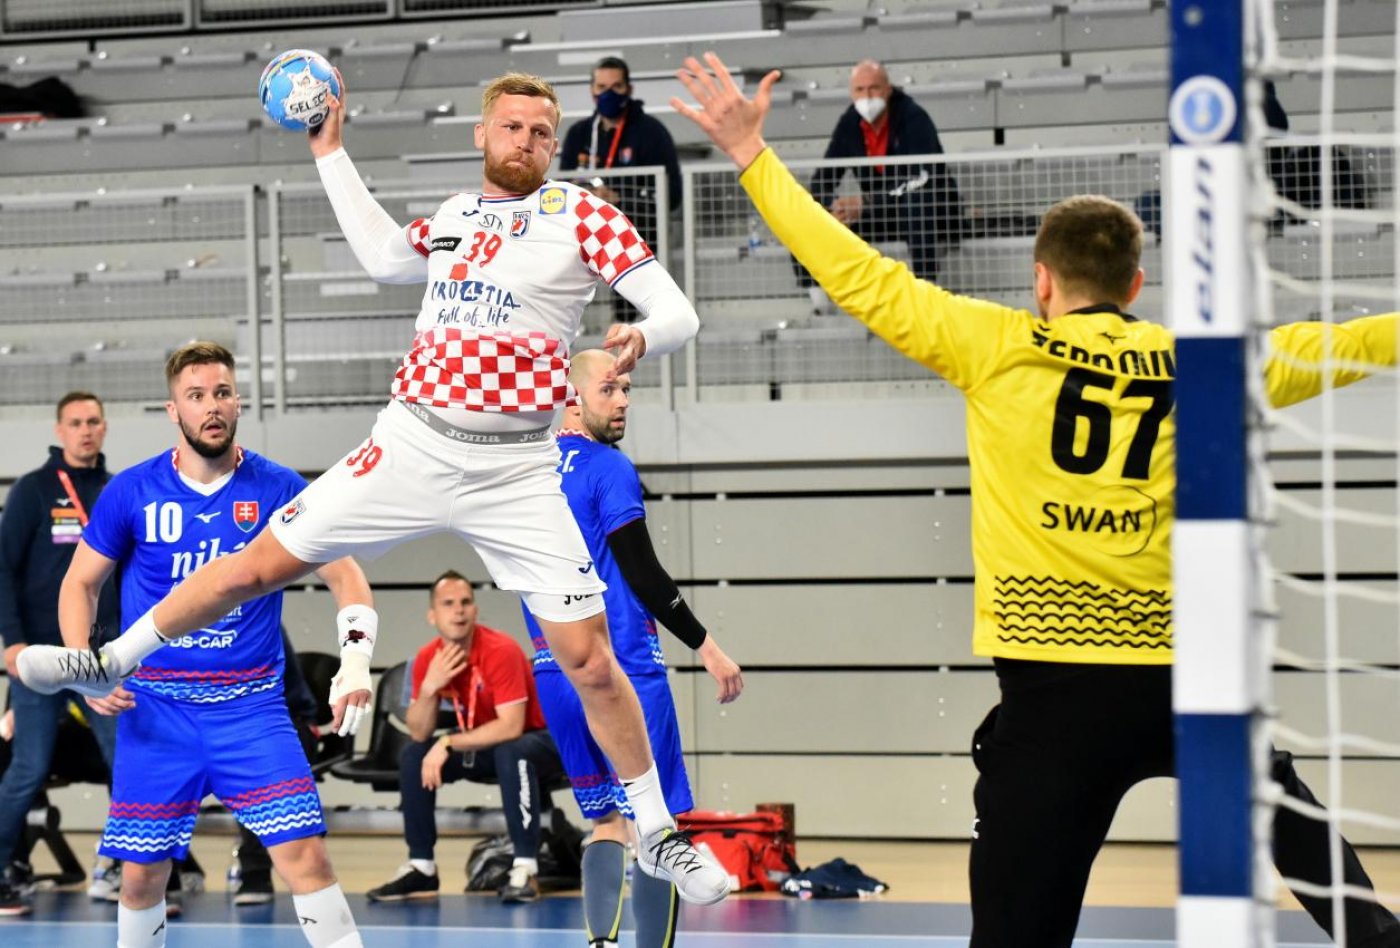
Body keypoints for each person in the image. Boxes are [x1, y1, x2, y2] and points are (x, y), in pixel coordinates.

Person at [671, 52, 1400, 947]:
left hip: (1053, 693)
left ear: (1042, 280)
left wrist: (752, 155)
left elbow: (856, 274)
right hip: (1190, 673)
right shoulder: (1204, 361)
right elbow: (1349, 341)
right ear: (1135, 286)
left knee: (1017, 934)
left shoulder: (995, 344)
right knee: (1311, 850)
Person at [18, 71, 730, 907]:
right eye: (512, 126)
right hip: (411, 444)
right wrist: (329, 148)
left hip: (516, 468)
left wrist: (642, 335)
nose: (527, 141)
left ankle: (660, 834)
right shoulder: (456, 216)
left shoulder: (580, 214)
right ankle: (111, 657)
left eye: (542, 131)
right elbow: (387, 257)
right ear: (482, 133)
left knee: (591, 661)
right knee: (252, 568)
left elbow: (678, 314)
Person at [49, 342, 374, 947]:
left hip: (252, 708)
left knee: (307, 858)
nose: (212, 406)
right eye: (196, 396)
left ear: (238, 401)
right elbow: (79, 584)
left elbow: (346, 574)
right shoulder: (132, 491)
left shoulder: (279, 487)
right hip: (156, 709)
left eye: (222, 392)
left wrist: (356, 659)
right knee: (141, 878)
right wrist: (84, 668)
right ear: (174, 410)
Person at [524, 350, 743, 948]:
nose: (623, 400)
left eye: (625, 389)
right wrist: (707, 645)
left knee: (603, 821)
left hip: (554, 672)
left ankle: (601, 944)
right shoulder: (609, 467)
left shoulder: (525, 470)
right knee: (656, 825)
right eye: (608, 389)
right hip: (623, 666)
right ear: (570, 399)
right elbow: (642, 572)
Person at [367, 570, 565, 905]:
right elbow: (419, 731)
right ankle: (421, 866)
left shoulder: (501, 649)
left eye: (465, 602)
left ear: (475, 610)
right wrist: (429, 688)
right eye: (448, 604)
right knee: (414, 755)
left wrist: (447, 742)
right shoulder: (429, 658)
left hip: (540, 740)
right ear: (433, 615)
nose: (458, 610)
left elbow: (511, 726)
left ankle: (525, 867)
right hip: (488, 743)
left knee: (511, 750)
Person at [0, 391, 120, 916]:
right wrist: (12, 641)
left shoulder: (117, 491)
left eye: (93, 421)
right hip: (41, 659)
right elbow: (2, 568)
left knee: (127, 764)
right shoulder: (34, 490)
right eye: (75, 423)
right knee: (28, 769)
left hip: (103, 660)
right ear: (59, 430)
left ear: (104, 427)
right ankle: (1, 870)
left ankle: (124, 869)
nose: (85, 430)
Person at [796, 59, 960, 313]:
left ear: (888, 89)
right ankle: (819, 302)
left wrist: (866, 202)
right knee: (806, 209)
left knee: (918, 201)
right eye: (860, 90)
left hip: (933, 212)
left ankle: (926, 293)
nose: (867, 96)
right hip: (882, 213)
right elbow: (823, 179)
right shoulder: (850, 123)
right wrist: (834, 207)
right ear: (852, 93)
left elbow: (922, 177)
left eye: (874, 88)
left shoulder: (913, 117)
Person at [560, 56, 683, 323]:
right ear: (592, 90)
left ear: (629, 89)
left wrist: (619, 198)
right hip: (584, 227)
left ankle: (627, 322)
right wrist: (590, 196)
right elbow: (563, 188)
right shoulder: (579, 134)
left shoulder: (652, 133)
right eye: (602, 87)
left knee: (633, 237)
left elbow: (672, 195)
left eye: (616, 87)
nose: (609, 94)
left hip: (635, 227)